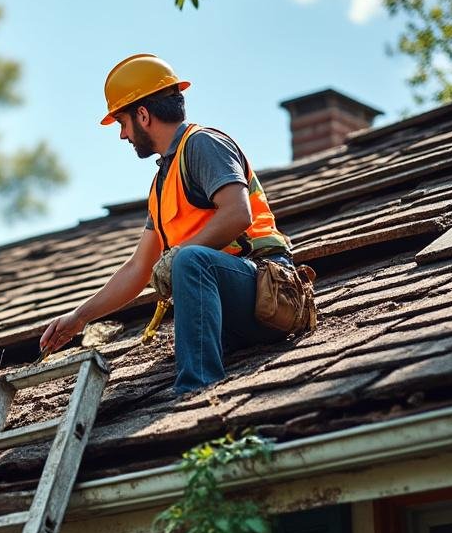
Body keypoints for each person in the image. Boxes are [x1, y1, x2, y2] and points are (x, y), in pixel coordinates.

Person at [40, 54, 294, 394]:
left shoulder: (203, 144)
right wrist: (80, 317)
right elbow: (138, 267)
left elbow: (238, 214)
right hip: (231, 310)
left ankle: (196, 389)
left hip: (270, 293)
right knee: (187, 260)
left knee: (188, 260)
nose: (122, 135)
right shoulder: (162, 182)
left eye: (122, 123)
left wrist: (178, 255)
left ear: (143, 115)